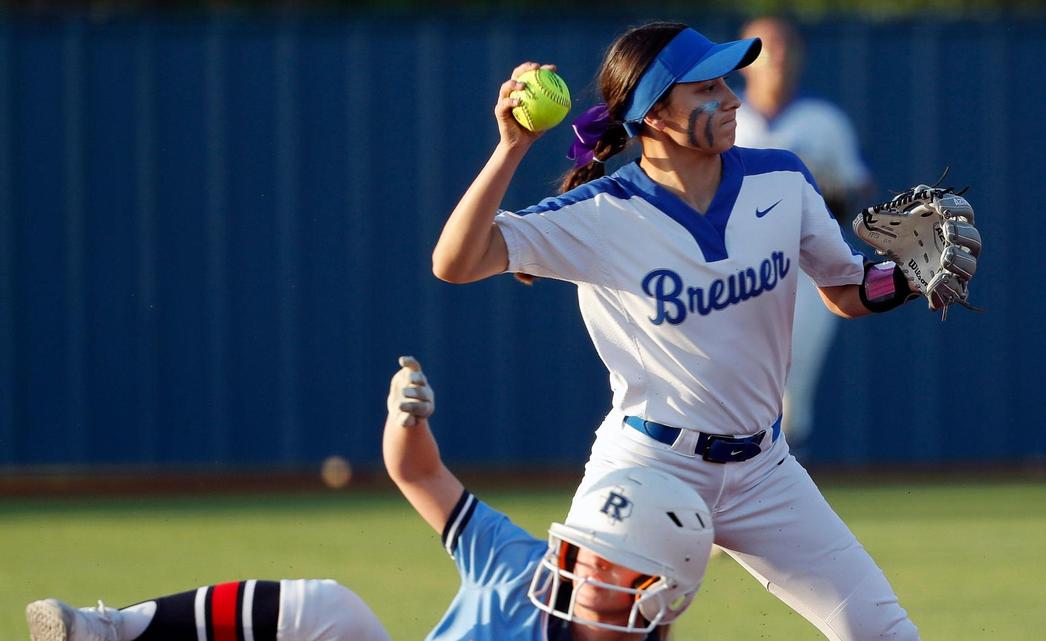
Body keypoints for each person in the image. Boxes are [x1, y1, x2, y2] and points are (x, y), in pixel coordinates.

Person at [432, 21, 922, 641]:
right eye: (708, 89)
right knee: (587, 634)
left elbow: (847, 290)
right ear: (655, 115)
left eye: (726, 84)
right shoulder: (603, 213)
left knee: (884, 633)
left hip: (764, 470)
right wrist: (513, 147)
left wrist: (907, 278)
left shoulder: (780, 179)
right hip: (648, 468)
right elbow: (455, 263)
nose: (733, 99)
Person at [25, 357, 714, 641]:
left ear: (660, 590)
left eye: (610, 560)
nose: (586, 567)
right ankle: (115, 631)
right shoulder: (519, 569)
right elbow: (418, 474)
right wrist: (404, 422)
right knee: (332, 607)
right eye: (587, 548)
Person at [734, 16, 876, 446]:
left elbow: (855, 190)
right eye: (764, 46)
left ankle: (780, 492)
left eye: (784, 45)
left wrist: (830, 187)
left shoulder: (823, 122)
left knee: (791, 392)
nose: (776, 54)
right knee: (736, 383)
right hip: (732, 264)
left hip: (804, 264)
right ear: (744, 62)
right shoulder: (727, 115)